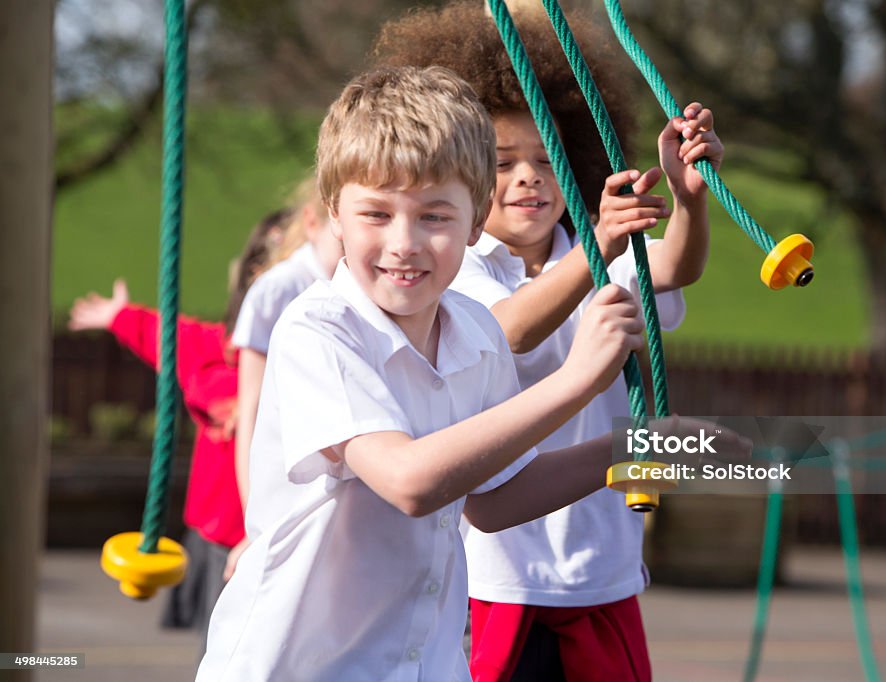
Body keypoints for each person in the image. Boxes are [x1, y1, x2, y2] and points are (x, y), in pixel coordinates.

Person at [196, 65, 747, 682]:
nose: (404, 242)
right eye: (376, 214)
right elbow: (409, 482)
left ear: (473, 212)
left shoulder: (474, 331)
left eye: (435, 216)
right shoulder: (318, 330)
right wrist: (577, 382)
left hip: (422, 663)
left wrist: (635, 448)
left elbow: (491, 500)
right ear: (334, 212)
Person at [372, 4, 723, 680]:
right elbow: (504, 331)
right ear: (464, 178)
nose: (528, 177)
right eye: (502, 164)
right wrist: (597, 250)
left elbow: (673, 268)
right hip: (495, 572)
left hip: (602, 565)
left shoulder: (595, 252)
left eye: (545, 158)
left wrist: (690, 199)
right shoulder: (456, 269)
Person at [67, 209, 287, 660]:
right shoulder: (220, 349)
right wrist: (120, 316)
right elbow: (167, 336)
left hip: (275, 531)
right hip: (219, 530)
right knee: (225, 646)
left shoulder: (313, 356)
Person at [227, 179, 345, 578]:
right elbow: (253, 407)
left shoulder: (359, 288)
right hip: (292, 481)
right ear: (313, 221)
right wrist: (253, 521)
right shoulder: (281, 288)